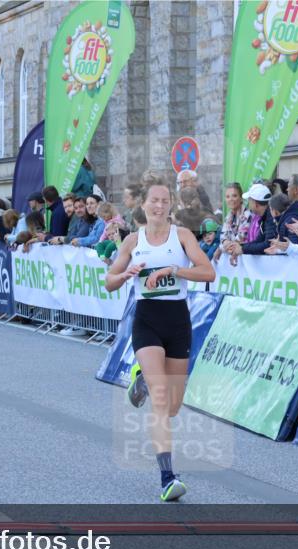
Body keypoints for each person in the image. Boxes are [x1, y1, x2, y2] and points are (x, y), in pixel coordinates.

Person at [104, 179, 216, 501]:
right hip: (147, 320)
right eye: (153, 200)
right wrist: (123, 276)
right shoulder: (132, 242)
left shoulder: (182, 237)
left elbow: (208, 272)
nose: (158, 206)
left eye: (164, 201)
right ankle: (168, 477)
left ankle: (140, 378)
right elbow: (109, 281)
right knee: (161, 397)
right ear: (143, 205)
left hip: (178, 321)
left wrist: (174, 271)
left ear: (170, 206)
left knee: (173, 407)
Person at [225, 183, 276, 261]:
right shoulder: (265, 216)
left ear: (255, 204)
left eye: (249, 200)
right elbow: (259, 241)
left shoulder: (271, 217)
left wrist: (242, 249)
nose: (248, 204)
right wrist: (240, 246)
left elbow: (268, 245)